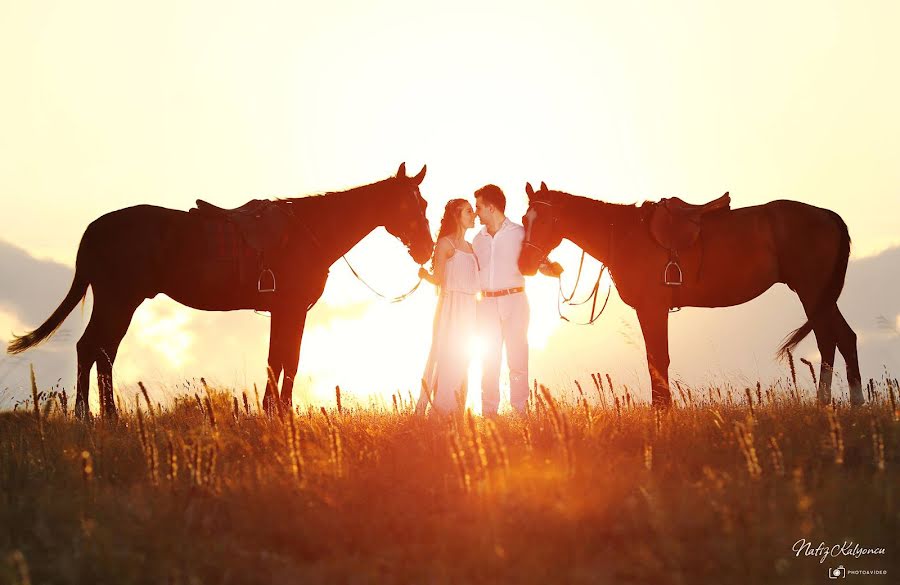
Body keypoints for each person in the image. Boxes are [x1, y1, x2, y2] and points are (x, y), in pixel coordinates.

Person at [473, 184, 561, 416]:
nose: (476, 212)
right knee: (489, 360)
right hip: (487, 304)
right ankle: (489, 414)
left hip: (515, 301)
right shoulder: (477, 240)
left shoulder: (521, 233)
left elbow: (537, 261)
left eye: (479, 207)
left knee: (517, 360)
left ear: (491, 207)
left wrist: (549, 268)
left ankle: (520, 413)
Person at [416, 199, 480, 414]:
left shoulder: (472, 248)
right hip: (451, 307)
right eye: (469, 212)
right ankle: (441, 412)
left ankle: (457, 412)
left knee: (464, 359)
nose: (474, 215)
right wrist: (425, 275)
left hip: (471, 308)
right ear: (456, 215)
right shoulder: (445, 244)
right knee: (446, 357)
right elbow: (438, 279)